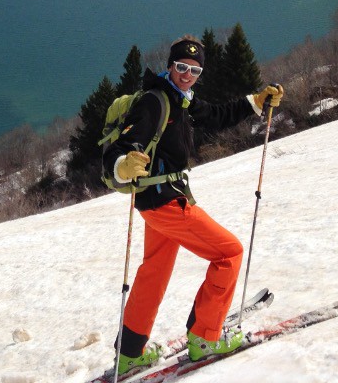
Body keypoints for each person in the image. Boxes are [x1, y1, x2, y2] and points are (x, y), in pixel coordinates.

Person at [102, 35, 284, 375]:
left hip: (156, 203)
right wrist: (121, 164)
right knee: (229, 253)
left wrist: (256, 102)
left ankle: (130, 353)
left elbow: (215, 116)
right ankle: (204, 338)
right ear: (170, 65)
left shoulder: (181, 99)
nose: (187, 74)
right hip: (166, 203)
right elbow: (124, 144)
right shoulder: (155, 102)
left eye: (195, 70)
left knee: (154, 272)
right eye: (182, 67)